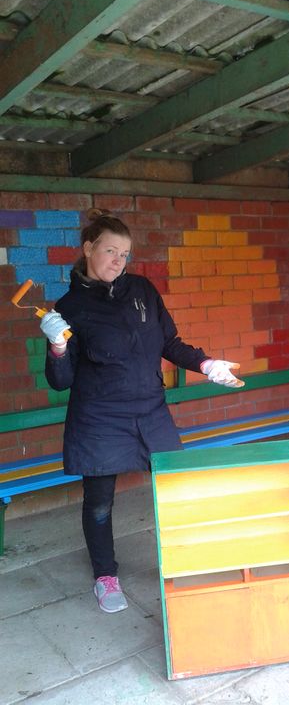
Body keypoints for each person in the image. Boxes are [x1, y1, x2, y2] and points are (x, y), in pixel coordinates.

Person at [40, 209, 243, 613]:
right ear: (88, 248)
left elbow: (169, 343)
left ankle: (186, 559)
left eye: (125, 254)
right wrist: (57, 346)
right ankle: (105, 575)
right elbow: (60, 381)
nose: (118, 261)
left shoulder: (142, 290)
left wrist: (206, 364)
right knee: (99, 501)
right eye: (110, 251)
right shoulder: (69, 308)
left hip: (150, 409)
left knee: (176, 484)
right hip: (99, 417)